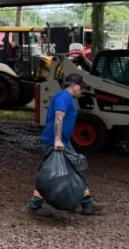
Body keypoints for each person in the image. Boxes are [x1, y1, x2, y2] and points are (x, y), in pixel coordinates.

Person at [28, 73, 102, 217]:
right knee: (51, 173)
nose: (82, 90)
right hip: (54, 142)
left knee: (73, 168)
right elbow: (58, 117)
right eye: (81, 87)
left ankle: (87, 203)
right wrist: (57, 140)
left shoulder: (66, 97)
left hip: (61, 141)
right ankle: (35, 205)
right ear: (73, 85)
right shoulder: (64, 97)